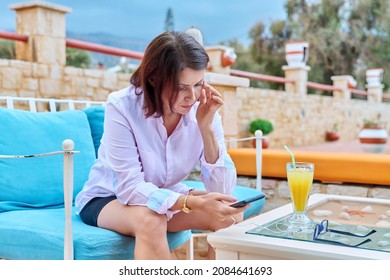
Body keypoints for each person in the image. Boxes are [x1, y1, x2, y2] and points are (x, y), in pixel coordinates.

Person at [75, 31, 247, 260]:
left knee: (230, 215)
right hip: (108, 198)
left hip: (163, 194)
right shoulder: (122, 107)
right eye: (181, 86)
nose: (191, 97)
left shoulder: (203, 109)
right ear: (154, 78)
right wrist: (191, 201)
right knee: (151, 218)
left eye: (198, 84)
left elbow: (222, 189)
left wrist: (206, 129)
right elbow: (130, 187)